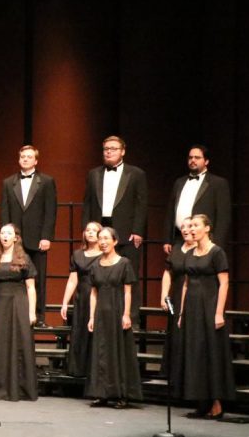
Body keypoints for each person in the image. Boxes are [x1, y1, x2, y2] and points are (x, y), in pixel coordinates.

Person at [173, 214, 235, 419]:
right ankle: (201, 400)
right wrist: (181, 311)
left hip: (209, 305)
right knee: (195, 353)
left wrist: (218, 312)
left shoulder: (217, 252)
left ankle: (216, 401)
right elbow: (186, 284)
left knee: (211, 353)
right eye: (190, 226)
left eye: (196, 226)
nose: (191, 229)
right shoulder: (190, 253)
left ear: (207, 228)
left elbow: (224, 283)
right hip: (192, 307)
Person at [82, 136, 148, 321]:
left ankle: (131, 318)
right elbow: (87, 203)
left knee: (129, 274)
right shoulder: (94, 174)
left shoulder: (136, 174)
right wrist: (86, 229)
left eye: (113, 148)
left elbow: (141, 205)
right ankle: (97, 315)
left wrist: (138, 231)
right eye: (105, 149)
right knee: (96, 274)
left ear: (123, 151)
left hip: (126, 231)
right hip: (99, 228)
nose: (108, 151)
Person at [0, 145, 57, 327]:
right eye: (22, 156)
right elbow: (4, 211)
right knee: (12, 276)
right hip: (15, 239)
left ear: (36, 160)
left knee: (37, 277)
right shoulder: (8, 182)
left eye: (29, 156)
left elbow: (50, 211)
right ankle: (15, 313)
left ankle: (39, 316)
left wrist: (46, 236)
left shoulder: (46, 181)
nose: (25, 159)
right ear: (19, 159)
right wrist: (6, 236)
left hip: (37, 238)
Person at [85, 227, 141, 407]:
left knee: (118, 353)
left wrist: (127, 314)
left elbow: (128, 292)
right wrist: (92, 317)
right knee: (101, 353)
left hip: (118, 312)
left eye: (106, 238)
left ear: (115, 241)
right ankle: (102, 393)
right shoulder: (95, 265)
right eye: (100, 238)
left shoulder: (123, 263)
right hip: (101, 313)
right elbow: (93, 293)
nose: (102, 242)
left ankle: (121, 394)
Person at [0, 223, 37, 401]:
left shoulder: (24, 258)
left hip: (19, 303)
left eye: (9, 233)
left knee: (19, 343)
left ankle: (19, 389)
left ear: (16, 237)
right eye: (2, 233)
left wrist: (31, 312)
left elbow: (30, 288)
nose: (5, 236)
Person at [162, 145, 232, 252]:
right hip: (179, 238)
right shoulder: (179, 182)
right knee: (176, 268)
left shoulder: (218, 183)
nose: (193, 160)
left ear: (206, 161)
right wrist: (167, 239)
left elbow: (223, 217)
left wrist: (216, 245)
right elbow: (170, 212)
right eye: (190, 158)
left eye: (197, 157)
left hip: (204, 240)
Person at [60, 222, 102, 378]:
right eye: (88, 230)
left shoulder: (105, 254)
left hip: (99, 296)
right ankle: (79, 369)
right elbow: (72, 280)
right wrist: (65, 302)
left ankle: (96, 370)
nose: (90, 233)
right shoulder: (78, 255)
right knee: (80, 331)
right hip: (82, 297)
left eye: (94, 230)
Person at [159, 219, 195, 376]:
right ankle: (173, 371)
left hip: (194, 295)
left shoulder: (201, 250)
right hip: (176, 295)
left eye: (189, 227)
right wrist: (163, 296)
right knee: (174, 329)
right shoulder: (176, 249)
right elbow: (168, 272)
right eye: (183, 227)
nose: (185, 230)